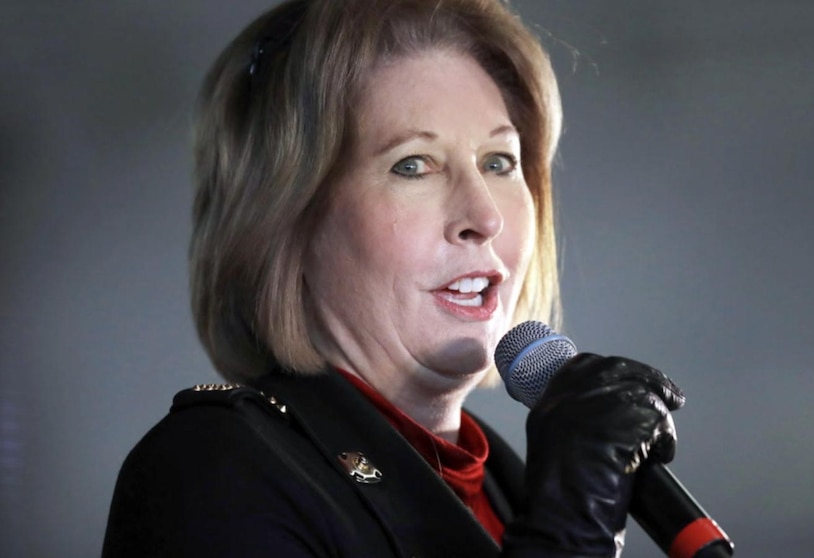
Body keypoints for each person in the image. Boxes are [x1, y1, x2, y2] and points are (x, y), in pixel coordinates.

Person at [102, 1, 685, 556]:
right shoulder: (211, 468)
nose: (485, 217)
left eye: (499, 162)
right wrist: (570, 537)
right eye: (413, 166)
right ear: (286, 223)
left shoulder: (504, 487)